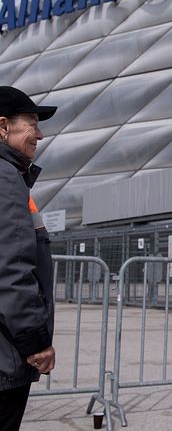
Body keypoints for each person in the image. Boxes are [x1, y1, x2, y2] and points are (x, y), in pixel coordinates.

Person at [0, 87, 57, 430]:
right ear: (2, 126)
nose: (39, 134)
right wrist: (36, 343)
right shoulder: (6, 178)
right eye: (32, 123)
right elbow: (11, 268)